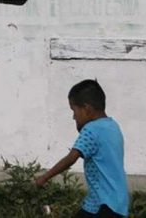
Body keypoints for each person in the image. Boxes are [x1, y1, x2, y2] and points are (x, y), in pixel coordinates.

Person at [35, 79, 129, 218]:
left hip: (103, 205)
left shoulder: (91, 129)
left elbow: (71, 158)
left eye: (74, 110)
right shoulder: (113, 126)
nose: (73, 117)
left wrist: (44, 177)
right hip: (118, 204)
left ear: (87, 109)